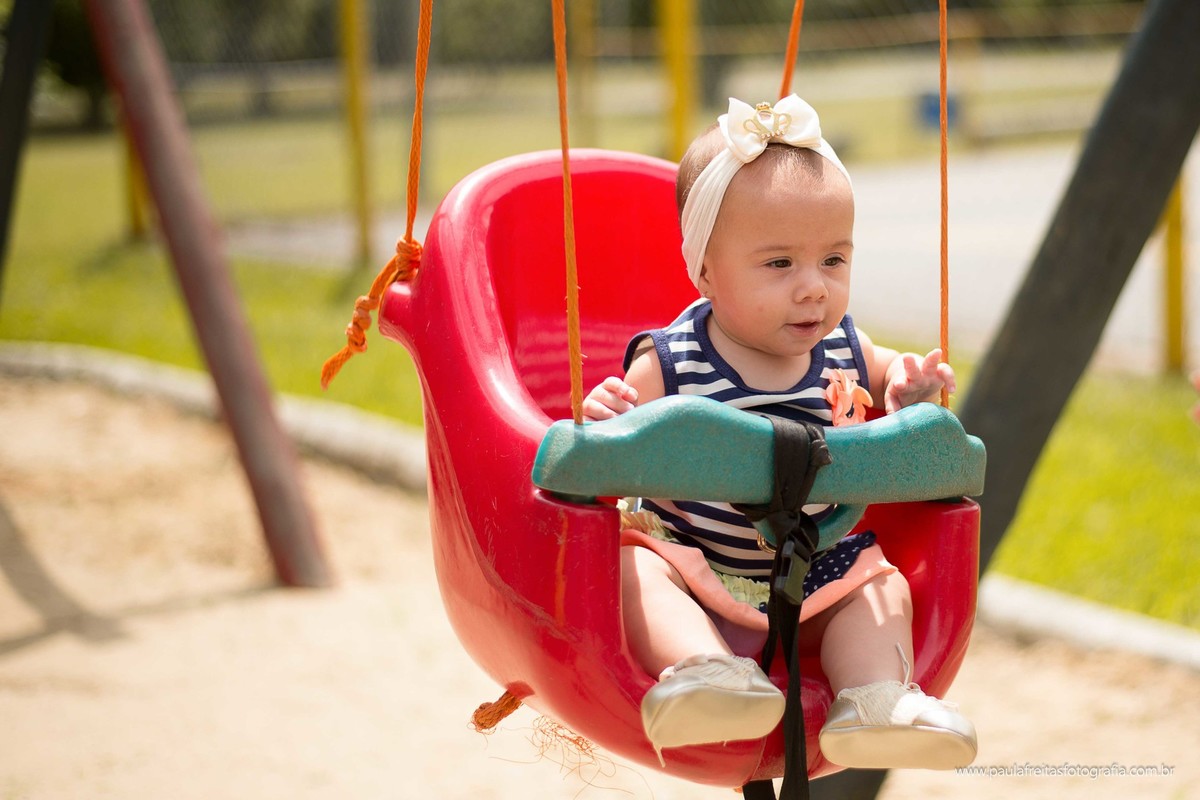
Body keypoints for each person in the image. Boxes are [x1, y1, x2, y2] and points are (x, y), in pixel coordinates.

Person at [583, 95, 977, 771]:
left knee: (879, 584)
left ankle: (875, 699)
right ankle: (707, 671)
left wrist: (906, 391)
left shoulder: (845, 346)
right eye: (779, 264)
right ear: (703, 268)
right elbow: (616, 437)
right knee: (632, 564)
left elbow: (891, 381)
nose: (813, 290)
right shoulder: (675, 360)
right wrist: (609, 412)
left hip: (811, 571)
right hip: (696, 562)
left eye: (833, 260)